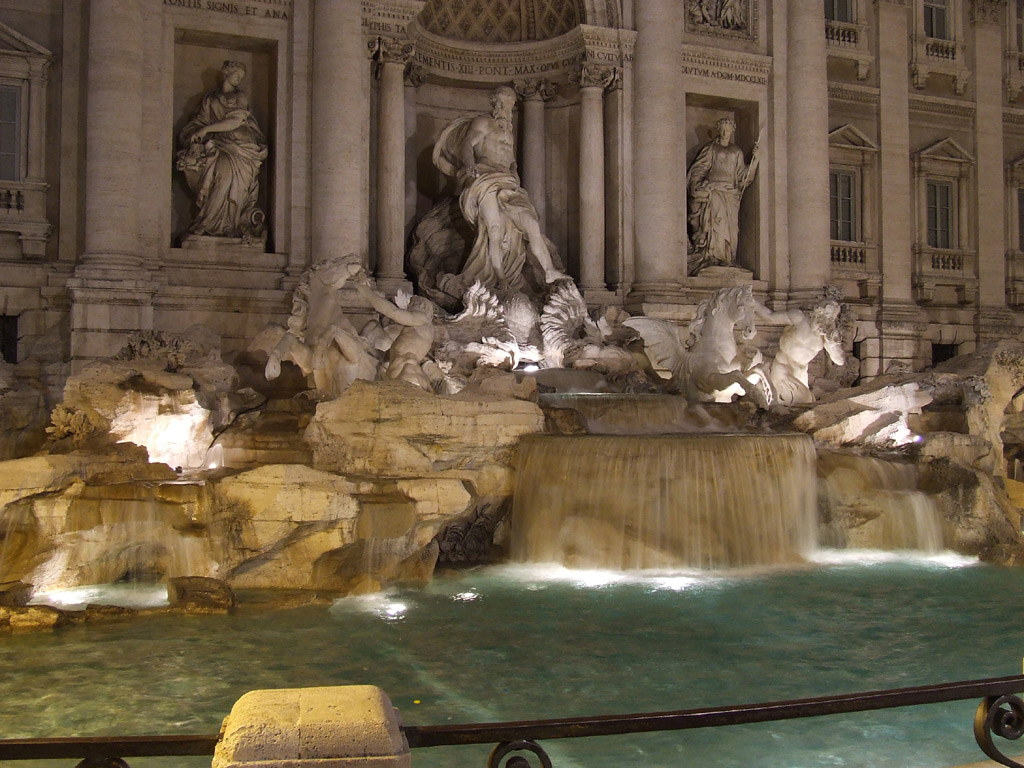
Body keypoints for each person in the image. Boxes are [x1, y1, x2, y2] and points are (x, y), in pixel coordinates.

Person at [432, 86, 565, 295]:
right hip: (485, 179)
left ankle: (549, 270)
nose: (507, 107)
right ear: (495, 103)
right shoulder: (483, 122)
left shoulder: (508, 131)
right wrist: (469, 164)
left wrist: (515, 174)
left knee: (530, 223)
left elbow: (510, 160)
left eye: (511, 103)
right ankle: (500, 278)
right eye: (504, 102)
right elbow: (468, 144)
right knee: (494, 230)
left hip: (508, 182)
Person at [177, 61, 268, 243]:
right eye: (237, 75)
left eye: (241, 77)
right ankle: (208, 223)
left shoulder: (240, 96)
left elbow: (236, 120)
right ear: (226, 73)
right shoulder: (210, 98)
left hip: (243, 148)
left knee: (236, 185)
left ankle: (230, 226)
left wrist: (206, 130)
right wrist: (195, 133)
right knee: (222, 175)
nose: (239, 79)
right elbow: (200, 121)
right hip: (220, 145)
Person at [686, 117, 760, 275]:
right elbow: (699, 168)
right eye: (723, 129)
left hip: (731, 194)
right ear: (718, 130)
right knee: (716, 224)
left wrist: (755, 161)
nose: (725, 132)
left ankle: (728, 257)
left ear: (732, 130)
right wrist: (696, 186)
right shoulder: (711, 148)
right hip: (714, 192)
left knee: (732, 228)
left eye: (728, 129)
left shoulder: (736, 152)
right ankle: (713, 257)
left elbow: (742, 177)